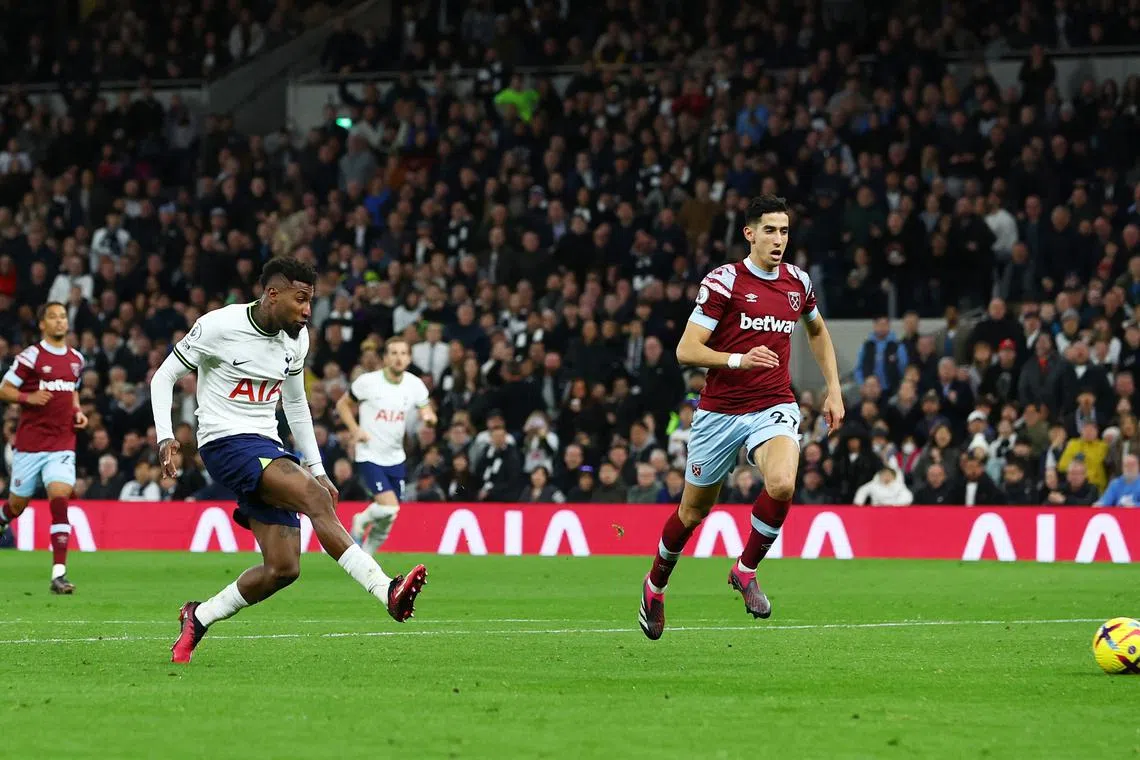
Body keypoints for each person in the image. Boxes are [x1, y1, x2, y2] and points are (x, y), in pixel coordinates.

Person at [150, 257, 427, 664]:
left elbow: (296, 405)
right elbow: (163, 377)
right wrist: (166, 435)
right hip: (224, 443)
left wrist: (316, 468)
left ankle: (199, 616)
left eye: (311, 301)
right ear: (272, 294)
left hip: (267, 445)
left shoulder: (296, 339)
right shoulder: (218, 326)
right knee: (315, 500)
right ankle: (386, 589)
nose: (307, 311)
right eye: (301, 300)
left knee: (283, 569)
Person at [639, 195, 845, 640]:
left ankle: (745, 568)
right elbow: (685, 350)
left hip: (773, 404)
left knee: (783, 483)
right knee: (691, 514)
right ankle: (655, 585)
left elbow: (818, 330)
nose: (778, 240)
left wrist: (834, 390)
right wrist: (737, 360)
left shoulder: (798, 284)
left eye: (784, 231)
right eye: (769, 230)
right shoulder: (724, 282)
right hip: (719, 411)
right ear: (749, 233)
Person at [0, 302, 89, 594]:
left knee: (60, 499)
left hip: (63, 443)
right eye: (53, 317)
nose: (60, 321)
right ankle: (3, 519)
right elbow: (4, 388)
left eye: (63, 316)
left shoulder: (77, 359)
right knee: (17, 505)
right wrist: (28, 398)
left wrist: (77, 412)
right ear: (42, 324)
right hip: (30, 445)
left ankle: (58, 574)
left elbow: (72, 391)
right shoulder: (32, 356)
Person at [335, 336, 436, 553]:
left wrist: (429, 418)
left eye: (403, 353)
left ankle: (367, 559)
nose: (398, 358)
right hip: (369, 454)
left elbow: (426, 409)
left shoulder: (415, 385)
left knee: (388, 517)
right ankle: (360, 519)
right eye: (393, 353)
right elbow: (343, 404)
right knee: (389, 507)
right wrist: (355, 429)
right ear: (385, 358)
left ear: (409, 358)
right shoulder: (368, 382)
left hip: (396, 457)